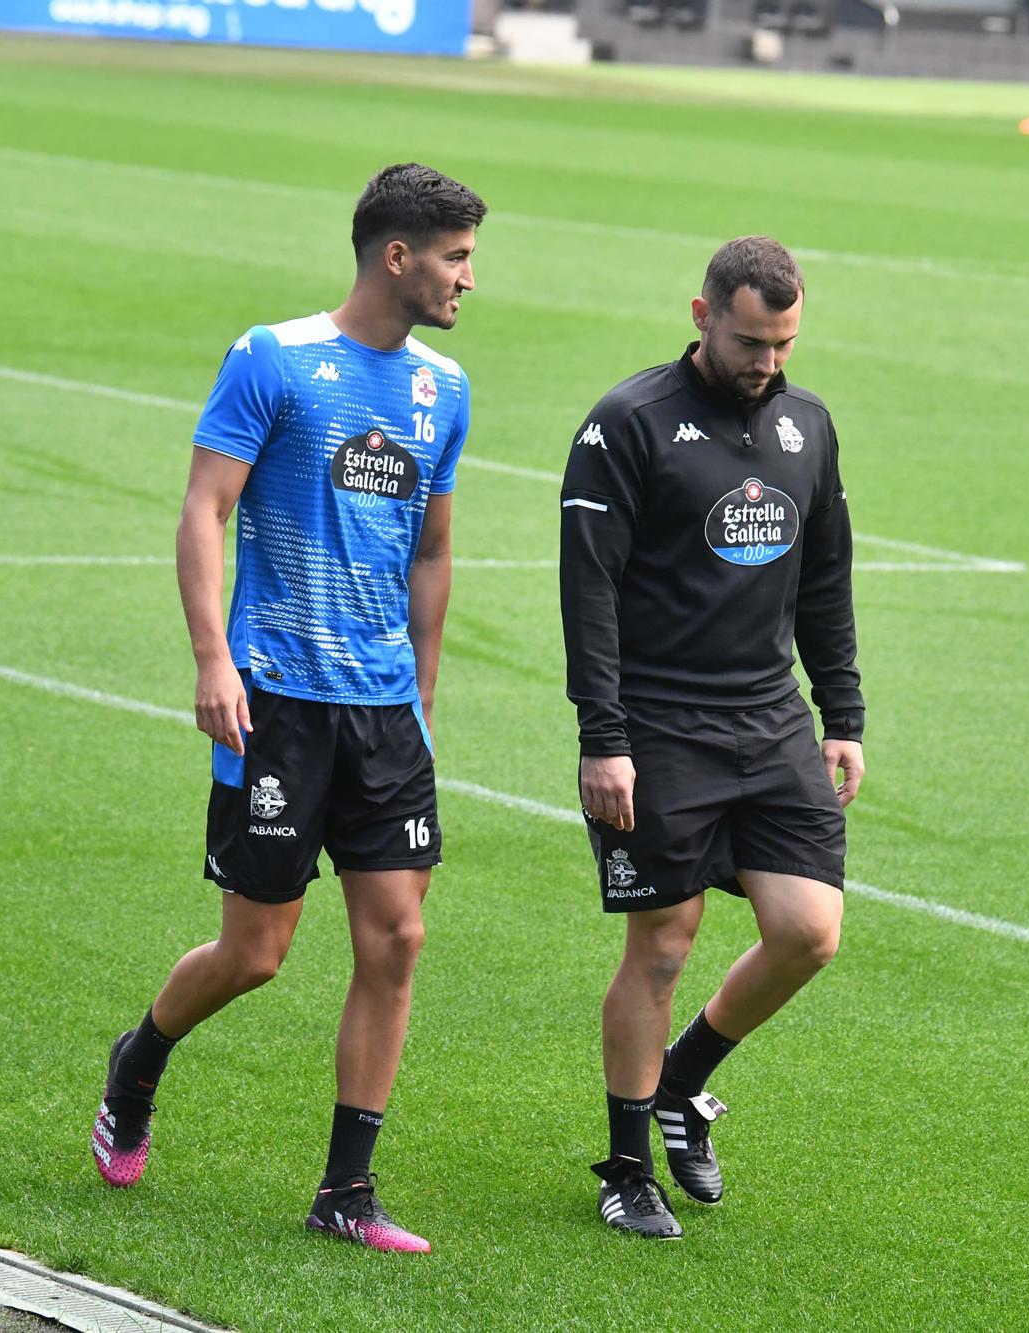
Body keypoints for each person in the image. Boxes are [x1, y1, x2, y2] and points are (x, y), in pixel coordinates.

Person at [89, 163, 484, 1255]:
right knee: (257, 952)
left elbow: (434, 548)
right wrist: (212, 659)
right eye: (453, 256)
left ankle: (345, 1192)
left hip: (384, 708)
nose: (466, 278)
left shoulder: (441, 388)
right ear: (395, 256)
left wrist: (424, 693)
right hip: (276, 700)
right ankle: (140, 1060)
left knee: (396, 938)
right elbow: (204, 509)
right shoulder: (274, 358)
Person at [559, 236, 866, 1240]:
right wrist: (602, 738)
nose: (766, 361)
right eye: (748, 341)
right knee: (663, 942)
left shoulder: (807, 425)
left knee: (806, 932)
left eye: (782, 342)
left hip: (767, 719)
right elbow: (588, 590)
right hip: (656, 725)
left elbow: (824, 580)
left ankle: (682, 1083)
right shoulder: (627, 425)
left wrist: (842, 717)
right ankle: (623, 1164)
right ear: (699, 315)